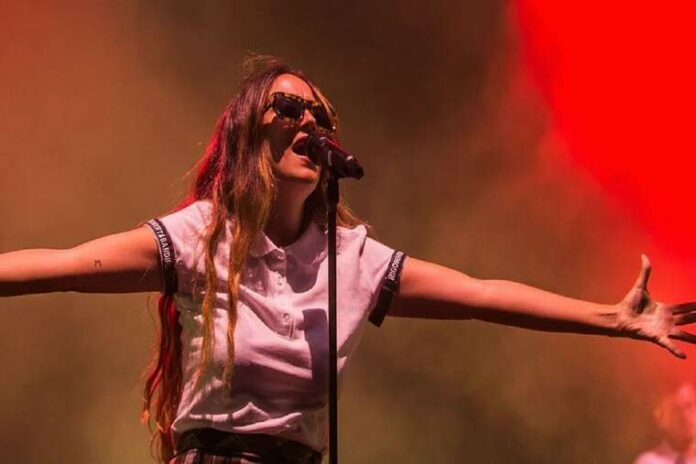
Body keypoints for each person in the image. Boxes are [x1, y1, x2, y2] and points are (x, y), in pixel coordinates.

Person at [1, 57, 695, 464]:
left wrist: (613, 318)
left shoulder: (351, 260)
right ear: (248, 133)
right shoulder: (202, 236)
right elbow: (66, 264)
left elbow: (481, 294)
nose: (310, 123)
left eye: (321, 116)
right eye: (289, 107)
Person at [634, 383, 696, 464]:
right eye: (676, 410)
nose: (685, 416)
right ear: (662, 418)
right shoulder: (649, 461)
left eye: (689, 406)